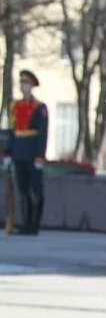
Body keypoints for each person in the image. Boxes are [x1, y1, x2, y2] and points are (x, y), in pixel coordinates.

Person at [4, 69, 48, 236]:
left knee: (36, 189)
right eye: (22, 83)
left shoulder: (39, 107)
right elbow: (11, 131)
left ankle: (34, 224)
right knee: (22, 189)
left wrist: (40, 156)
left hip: (32, 151)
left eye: (27, 83)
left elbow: (42, 133)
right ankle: (25, 223)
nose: (24, 87)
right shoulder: (14, 106)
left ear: (32, 86)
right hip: (19, 151)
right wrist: (8, 153)